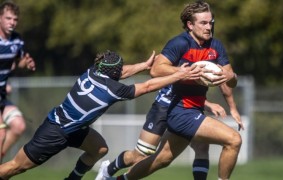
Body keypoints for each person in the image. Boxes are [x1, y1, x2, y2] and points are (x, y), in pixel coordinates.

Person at [0, 49, 203, 180]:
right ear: (112, 73)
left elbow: (120, 72)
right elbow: (148, 85)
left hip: (73, 127)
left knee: (99, 149)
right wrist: (179, 74)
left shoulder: (92, 71)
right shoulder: (114, 90)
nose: (122, 70)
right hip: (55, 132)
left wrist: (143, 65)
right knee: (15, 167)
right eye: (119, 69)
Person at [110, 1, 244, 180]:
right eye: (203, 23)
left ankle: (120, 179)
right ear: (190, 24)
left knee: (162, 159)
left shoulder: (216, 46)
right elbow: (156, 70)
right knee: (234, 140)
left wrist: (232, 85)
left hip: (193, 110)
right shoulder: (180, 43)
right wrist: (185, 72)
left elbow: (228, 80)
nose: (208, 27)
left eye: (210, 22)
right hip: (178, 110)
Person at [95, 84, 233, 180]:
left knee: (199, 147)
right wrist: (208, 105)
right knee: (140, 154)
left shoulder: (207, 54)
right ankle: (108, 169)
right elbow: (162, 74)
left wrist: (230, 76)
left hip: (186, 112)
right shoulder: (181, 51)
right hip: (164, 108)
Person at [0, 0, 36, 163]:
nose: (12, 23)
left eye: (15, 19)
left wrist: (26, 63)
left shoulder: (16, 40)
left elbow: (16, 63)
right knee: (0, 134)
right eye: (8, 18)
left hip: (1, 97)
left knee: (19, 125)